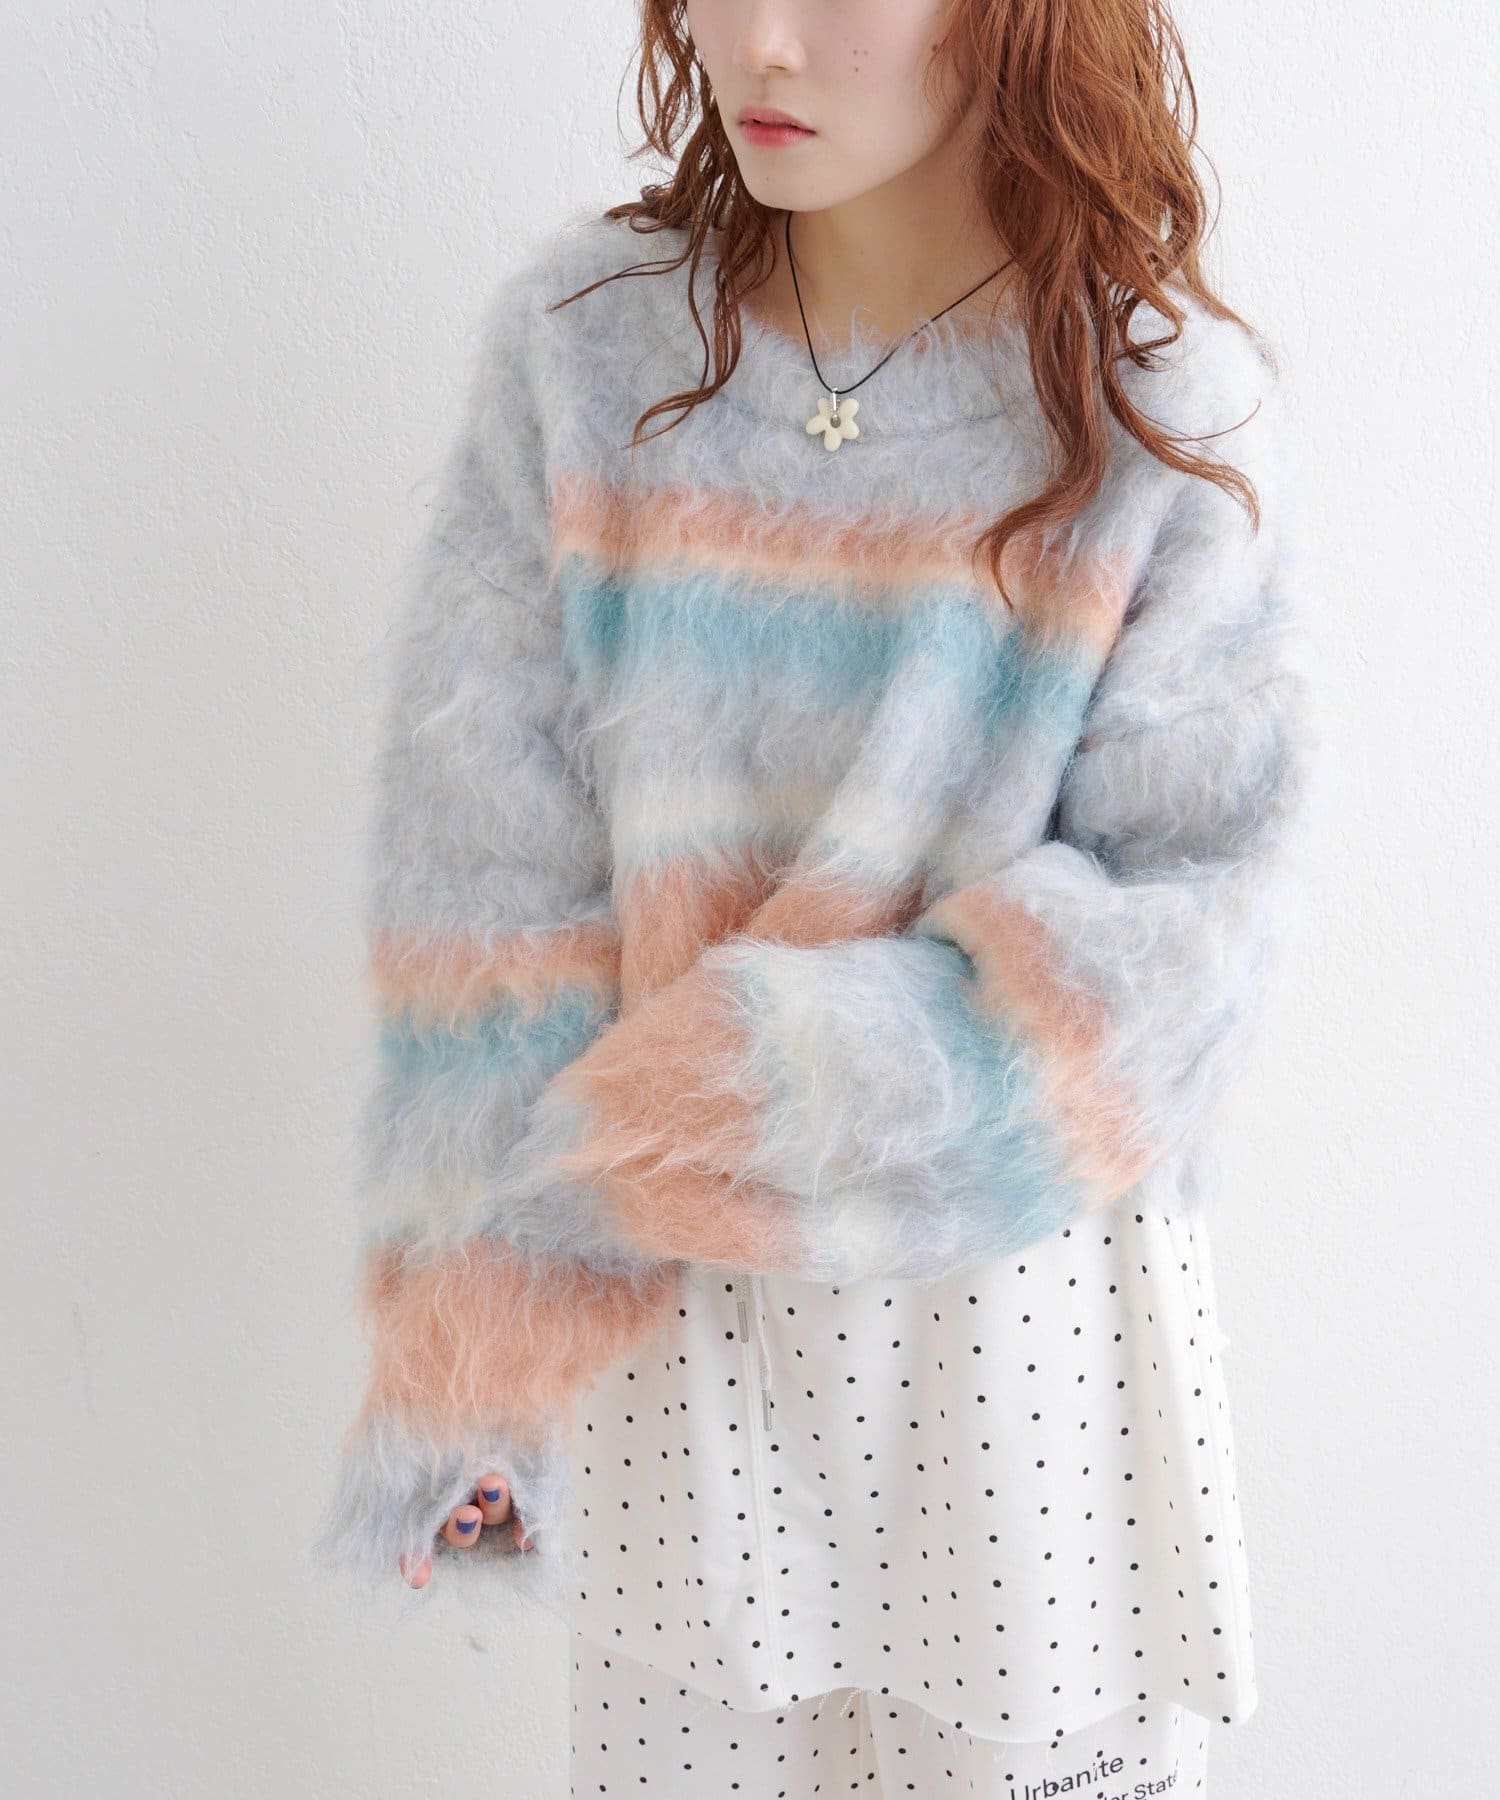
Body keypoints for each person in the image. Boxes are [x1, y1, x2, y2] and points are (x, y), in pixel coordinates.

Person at [310, 1, 1320, 1793]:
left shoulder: (1153, 399)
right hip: (672, 1308)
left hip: (1012, 1314)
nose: (757, 43)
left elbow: (1197, 918)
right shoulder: (590, 355)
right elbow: (478, 894)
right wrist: (474, 1375)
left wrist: (765, 1077)